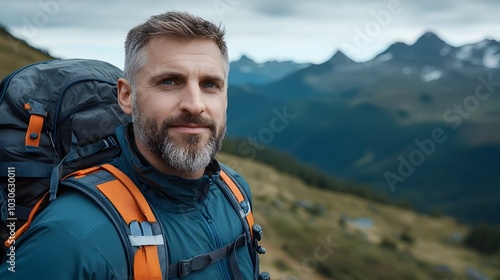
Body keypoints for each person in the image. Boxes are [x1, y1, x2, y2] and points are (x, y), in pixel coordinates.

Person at [0, 11, 261, 279]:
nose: (195, 104)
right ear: (126, 96)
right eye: (169, 81)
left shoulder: (235, 192)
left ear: (225, 98)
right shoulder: (69, 238)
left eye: (210, 84)